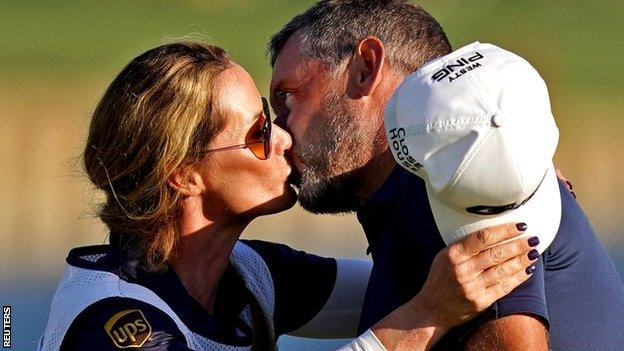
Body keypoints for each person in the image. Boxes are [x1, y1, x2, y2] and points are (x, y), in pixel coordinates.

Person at [37, 42, 538, 351]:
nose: (283, 138)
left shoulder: (246, 276)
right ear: (183, 175)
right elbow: (425, 298)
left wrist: (502, 161)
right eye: (257, 132)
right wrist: (425, 318)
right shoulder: (116, 327)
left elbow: (412, 279)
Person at [268, 0, 624, 349]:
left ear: (365, 69)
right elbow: (269, 278)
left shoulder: (453, 187)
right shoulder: (413, 200)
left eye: (287, 97)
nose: (279, 133)